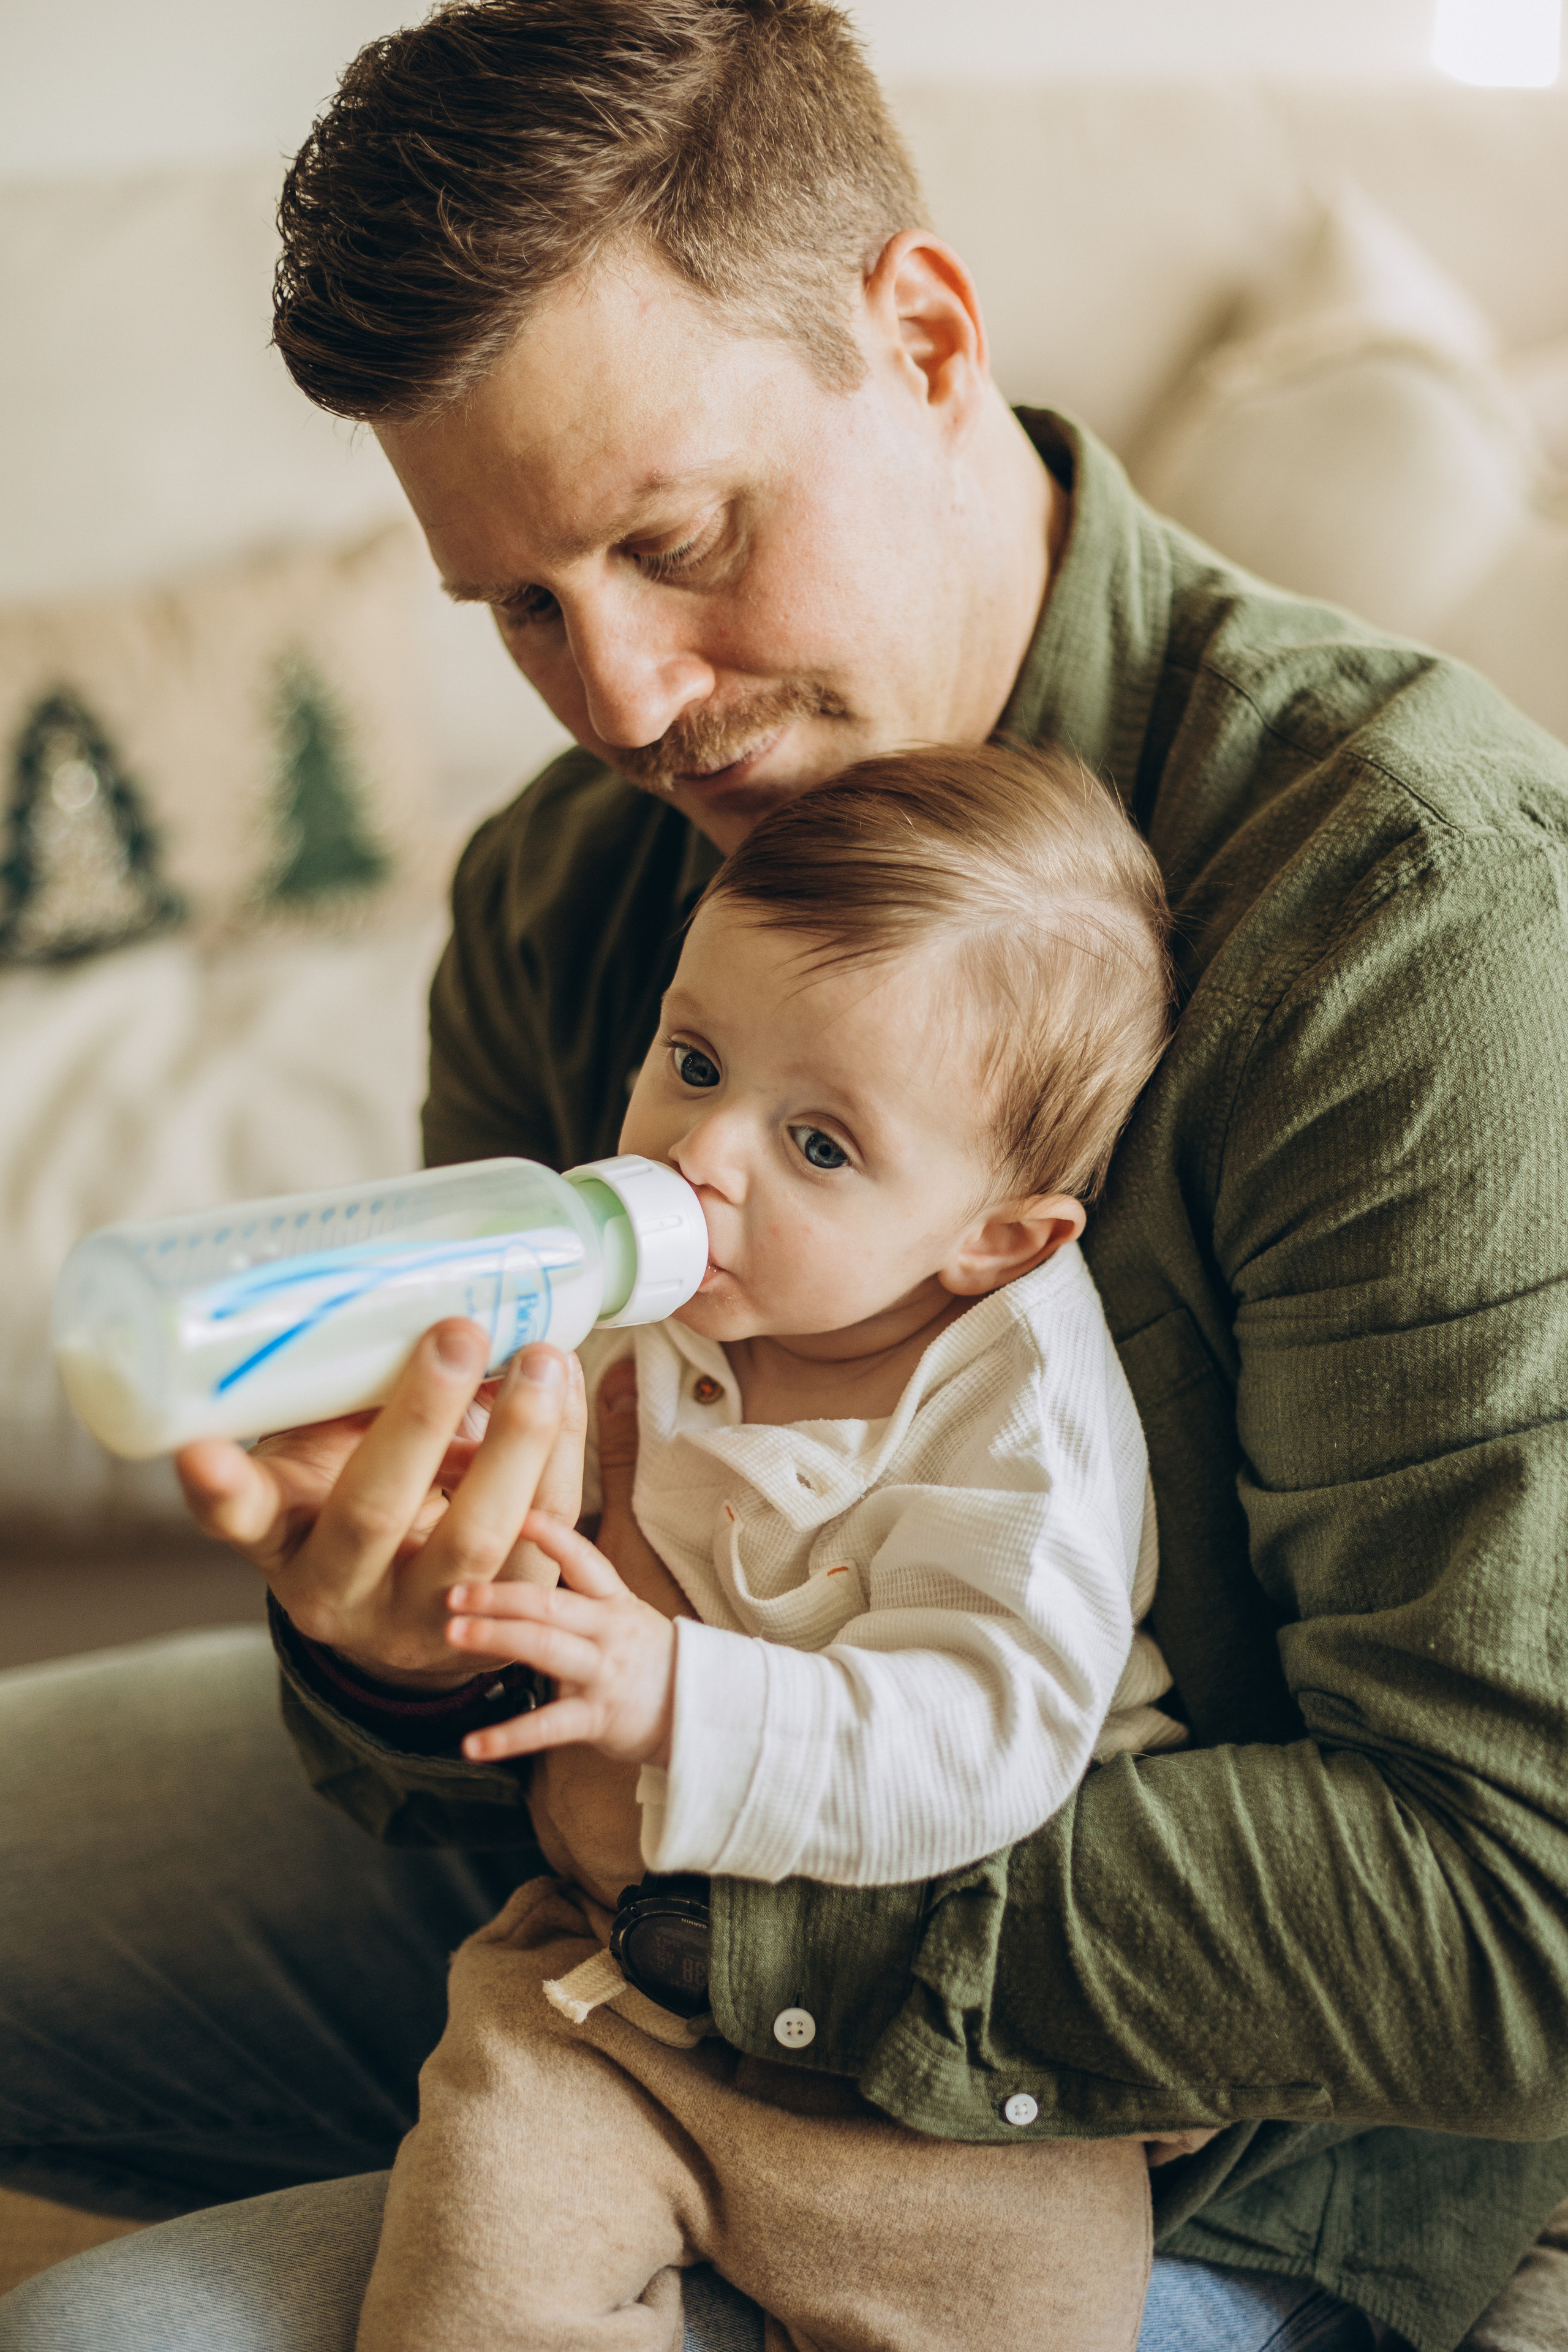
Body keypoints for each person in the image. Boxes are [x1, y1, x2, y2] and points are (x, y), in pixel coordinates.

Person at [1, 2, 1566, 2348]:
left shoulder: (1401, 905)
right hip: (614, 1886)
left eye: (673, 539)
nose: (619, 699)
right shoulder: (571, 889)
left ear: (922, 335)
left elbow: (1512, 1913)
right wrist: (415, 1654)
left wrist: (704, 1873)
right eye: (523, 607)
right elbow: (465, 1706)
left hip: (1198, 2139)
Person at [355, 742, 1182, 2352]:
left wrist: (679, 1691)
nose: (698, 1156)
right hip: (607, 2007)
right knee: (464, 2277)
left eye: (820, 1145)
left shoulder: (1022, 1401)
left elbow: (992, 1730)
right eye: (695, 1059)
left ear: (996, 1237)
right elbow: (532, 1553)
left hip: (961, 2080)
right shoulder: (647, 1297)